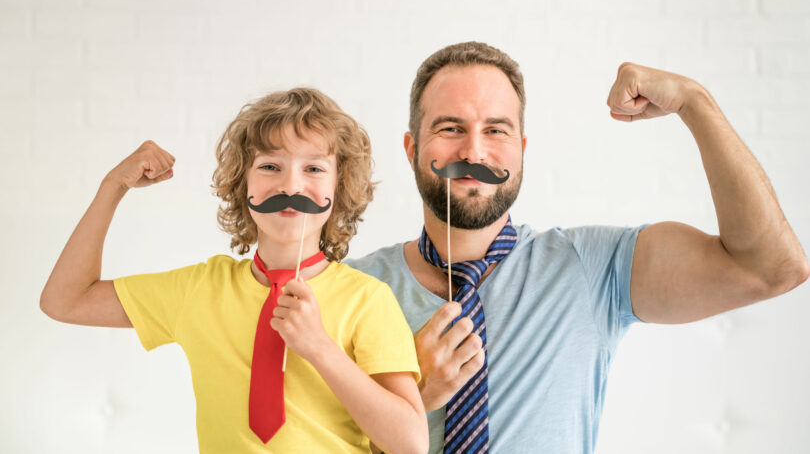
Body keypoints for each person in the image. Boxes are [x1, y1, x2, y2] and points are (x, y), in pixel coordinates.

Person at [347, 41, 810, 453]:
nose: (474, 152)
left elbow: (772, 268)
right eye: (450, 129)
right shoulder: (349, 291)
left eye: (496, 130)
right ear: (411, 149)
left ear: (522, 149)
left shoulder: (592, 267)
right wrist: (412, 399)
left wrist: (694, 102)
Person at [40, 88, 429, 454]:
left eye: (313, 168)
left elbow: (410, 442)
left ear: (340, 186)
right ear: (241, 181)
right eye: (270, 166)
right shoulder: (200, 289)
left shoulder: (368, 300)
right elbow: (66, 300)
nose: (290, 184)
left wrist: (319, 347)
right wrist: (113, 187)